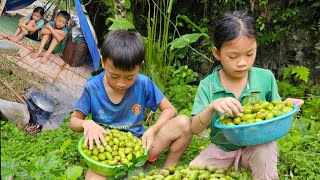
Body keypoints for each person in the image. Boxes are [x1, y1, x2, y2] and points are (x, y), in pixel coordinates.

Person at [189, 10, 304, 180]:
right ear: (216, 53)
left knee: (265, 153)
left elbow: (274, 113)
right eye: (233, 56)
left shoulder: (265, 78)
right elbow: (195, 129)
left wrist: (285, 107)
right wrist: (211, 107)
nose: (243, 63)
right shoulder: (209, 85)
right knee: (192, 173)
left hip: (258, 145)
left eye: (250, 54)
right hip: (222, 148)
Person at [69, 30, 192, 180]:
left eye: (129, 77)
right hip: (104, 148)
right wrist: (86, 123)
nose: (121, 83)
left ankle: (168, 171)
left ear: (139, 66)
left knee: (184, 123)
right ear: (103, 61)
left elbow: (169, 109)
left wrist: (153, 130)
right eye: (114, 75)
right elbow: (74, 122)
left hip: (141, 147)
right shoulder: (91, 87)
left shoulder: (143, 83)